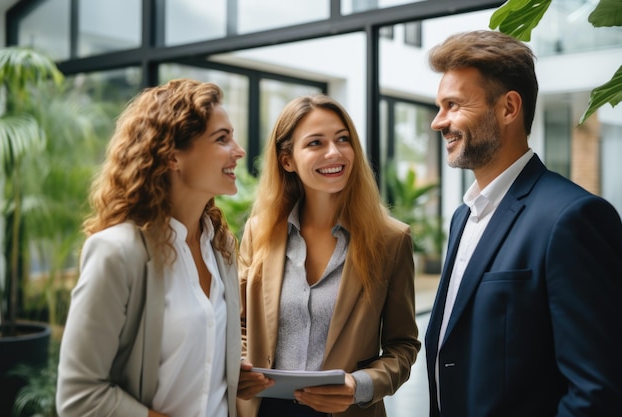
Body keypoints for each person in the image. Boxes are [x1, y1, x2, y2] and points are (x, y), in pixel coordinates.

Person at [424, 30, 622, 417]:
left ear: (509, 108)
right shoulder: (462, 217)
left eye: (453, 105)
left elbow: (596, 390)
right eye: (439, 106)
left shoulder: (573, 218)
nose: (437, 122)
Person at [56, 78, 246, 417]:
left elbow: (197, 365)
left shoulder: (222, 247)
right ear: (173, 156)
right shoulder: (117, 252)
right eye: (222, 138)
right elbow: (79, 396)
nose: (238, 150)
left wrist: (230, 373)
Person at [236, 94, 421, 417]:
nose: (334, 152)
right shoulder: (259, 232)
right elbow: (239, 324)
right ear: (287, 160)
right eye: (315, 143)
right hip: (265, 410)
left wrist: (359, 385)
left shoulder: (391, 240)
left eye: (342, 139)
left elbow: (402, 346)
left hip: (347, 412)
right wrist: (241, 368)